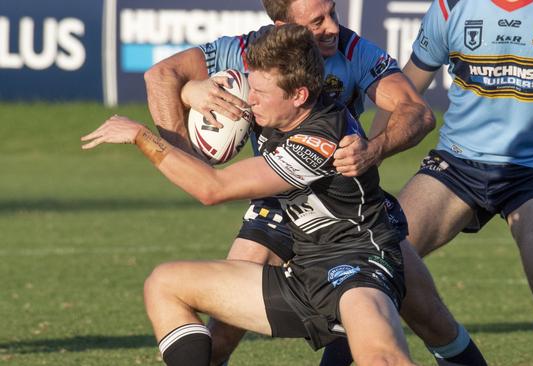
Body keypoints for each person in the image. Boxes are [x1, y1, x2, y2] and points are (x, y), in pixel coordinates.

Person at [144, 0, 487, 365]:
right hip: (277, 203)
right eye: (317, 21)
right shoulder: (247, 51)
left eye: (333, 14)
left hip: (349, 213)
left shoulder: (352, 51)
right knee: (223, 331)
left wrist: (373, 149)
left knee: (433, 321)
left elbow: (416, 112)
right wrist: (190, 105)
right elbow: (161, 76)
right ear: (281, 27)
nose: (333, 28)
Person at [82, 24, 418, 366]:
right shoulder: (277, 104)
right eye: (250, 86)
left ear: (299, 95)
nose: (249, 98)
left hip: (358, 267)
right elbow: (166, 78)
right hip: (301, 276)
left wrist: (141, 135)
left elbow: (213, 188)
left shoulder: (321, 140)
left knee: (382, 358)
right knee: (163, 284)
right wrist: (193, 91)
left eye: (258, 91)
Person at [348, 0, 533, 365]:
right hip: (457, 163)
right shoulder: (450, 7)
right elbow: (404, 96)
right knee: (381, 260)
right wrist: (370, 161)